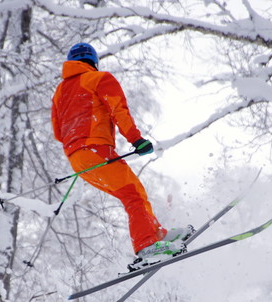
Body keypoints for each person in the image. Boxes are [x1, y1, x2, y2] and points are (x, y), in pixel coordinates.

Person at [51, 42, 193, 270]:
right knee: (133, 195)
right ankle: (147, 246)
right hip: (96, 151)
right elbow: (119, 110)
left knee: (133, 191)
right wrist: (136, 140)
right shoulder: (98, 79)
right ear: (94, 62)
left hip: (77, 159)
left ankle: (156, 235)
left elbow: (59, 133)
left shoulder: (59, 92)